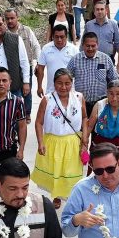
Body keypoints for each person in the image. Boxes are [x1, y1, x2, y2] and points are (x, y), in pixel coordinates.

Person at [32, 68, 88, 209]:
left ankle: (72, 197)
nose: (63, 87)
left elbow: (85, 117)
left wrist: (85, 139)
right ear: (54, 83)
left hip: (72, 142)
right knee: (55, 170)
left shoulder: (79, 98)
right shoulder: (47, 100)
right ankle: (56, 195)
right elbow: (38, 122)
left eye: (67, 83)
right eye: (59, 83)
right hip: (53, 141)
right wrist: (40, 142)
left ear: (72, 83)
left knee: (71, 171)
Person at [67, 31, 119, 118]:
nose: (90, 48)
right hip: (80, 103)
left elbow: (114, 80)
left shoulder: (105, 59)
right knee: (82, 130)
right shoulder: (75, 60)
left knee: (99, 130)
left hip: (101, 104)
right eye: (88, 46)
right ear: (83, 45)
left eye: (93, 46)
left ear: (97, 45)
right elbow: (67, 79)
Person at [5, 8, 41, 121]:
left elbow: (36, 46)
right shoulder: (3, 33)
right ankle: (14, 113)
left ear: (17, 18)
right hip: (10, 68)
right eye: (7, 19)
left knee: (27, 90)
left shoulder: (26, 30)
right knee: (13, 90)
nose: (10, 21)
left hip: (27, 66)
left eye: (12, 18)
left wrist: (39, 63)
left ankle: (27, 113)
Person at [36, 25, 79, 98]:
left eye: (62, 37)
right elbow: (40, 69)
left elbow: (78, 71)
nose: (59, 40)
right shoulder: (46, 49)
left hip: (70, 91)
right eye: (56, 37)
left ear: (66, 37)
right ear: (52, 36)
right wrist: (39, 86)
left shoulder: (74, 50)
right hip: (51, 91)